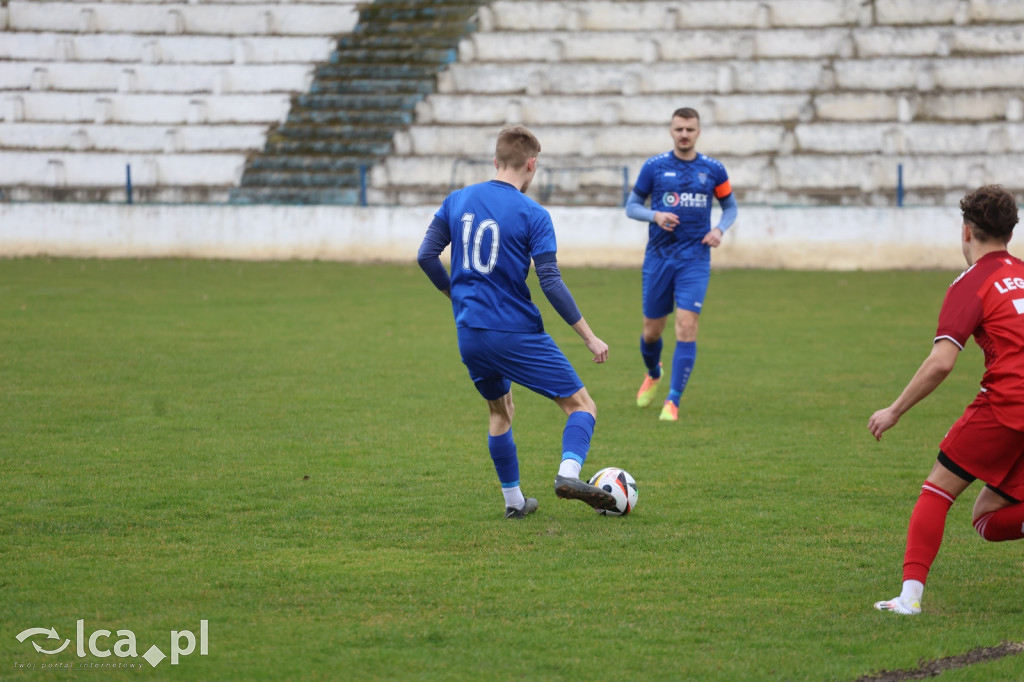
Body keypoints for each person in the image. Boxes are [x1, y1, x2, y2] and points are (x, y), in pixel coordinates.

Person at [417, 125, 617, 519]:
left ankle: (515, 503)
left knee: (500, 411)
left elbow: (426, 256)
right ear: (532, 165)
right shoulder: (533, 213)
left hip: (470, 332)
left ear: (495, 161)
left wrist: (454, 294)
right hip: (515, 332)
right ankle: (568, 474)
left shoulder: (457, 200)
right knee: (582, 406)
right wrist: (589, 337)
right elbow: (550, 282)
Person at [868, 184, 1024, 615]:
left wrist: (894, 410)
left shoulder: (972, 283)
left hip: (1007, 405)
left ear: (966, 232)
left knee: (936, 491)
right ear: (1010, 232)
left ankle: (910, 599)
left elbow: (941, 363)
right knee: (988, 517)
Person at [625, 107, 738, 422]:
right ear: (671, 131)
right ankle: (653, 371)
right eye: (679, 129)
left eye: (690, 129)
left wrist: (719, 229)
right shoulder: (655, 167)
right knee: (651, 333)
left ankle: (672, 401)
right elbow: (631, 206)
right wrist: (655, 215)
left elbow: (730, 207)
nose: (684, 134)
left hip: (695, 260)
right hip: (659, 259)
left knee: (687, 327)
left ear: (698, 131)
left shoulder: (713, 170)